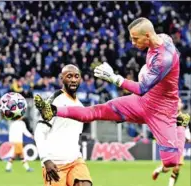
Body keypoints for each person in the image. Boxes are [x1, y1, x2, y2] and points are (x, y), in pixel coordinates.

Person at [34, 18, 190, 170]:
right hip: (142, 102)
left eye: (135, 39)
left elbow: (142, 88)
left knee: (171, 162)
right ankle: (53, 110)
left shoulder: (164, 58)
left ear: (148, 35)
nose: (133, 43)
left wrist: (114, 78)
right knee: (96, 111)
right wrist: (148, 73)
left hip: (162, 111)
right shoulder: (162, 41)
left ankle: (180, 124)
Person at [152, 98, 191, 186]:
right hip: (169, 145)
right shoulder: (168, 116)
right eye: (176, 102)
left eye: (180, 102)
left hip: (179, 145)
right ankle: (159, 169)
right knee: (167, 169)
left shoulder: (184, 117)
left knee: (177, 168)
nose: (178, 104)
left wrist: (188, 137)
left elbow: (186, 130)